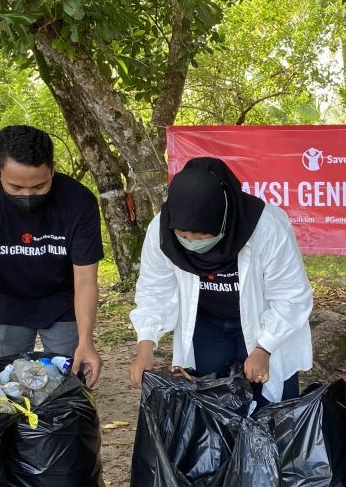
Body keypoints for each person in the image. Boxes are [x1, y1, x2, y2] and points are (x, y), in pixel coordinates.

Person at [128, 157, 313, 404]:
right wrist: (145, 348)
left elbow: (290, 295)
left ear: (222, 219)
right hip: (208, 327)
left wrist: (264, 348)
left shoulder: (266, 226)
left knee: (272, 411)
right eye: (183, 235)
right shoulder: (160, 232)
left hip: (264, 324)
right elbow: (154, 291)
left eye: (202, 234)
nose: (192, 242)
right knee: (212, 405)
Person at [0, 125, 104, 387]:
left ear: (52, 169)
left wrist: (86, 341)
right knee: (3, 386)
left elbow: (85, 280)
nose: (27, 195)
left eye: (38, 186)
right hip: (5, 301)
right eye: (15, 187)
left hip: (63, 302)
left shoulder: (79, 202)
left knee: (67, 386)